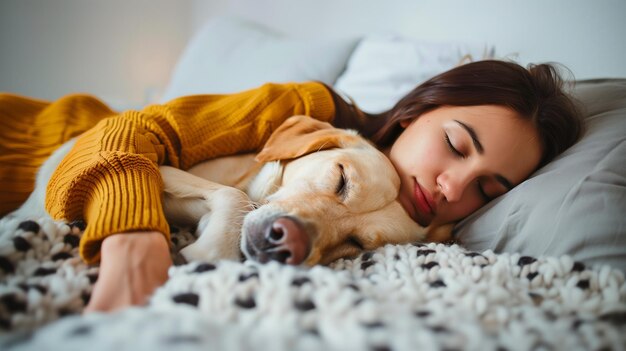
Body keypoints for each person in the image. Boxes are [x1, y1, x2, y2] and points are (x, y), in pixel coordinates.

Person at [0, 60, 583, 312]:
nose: (453, 185)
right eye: (456, 145)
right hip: (30, 137)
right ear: (416, 111)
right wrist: (132, 232)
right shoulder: (307, 112)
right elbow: (128, 131)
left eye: (488, 189)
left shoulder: (425, 228)